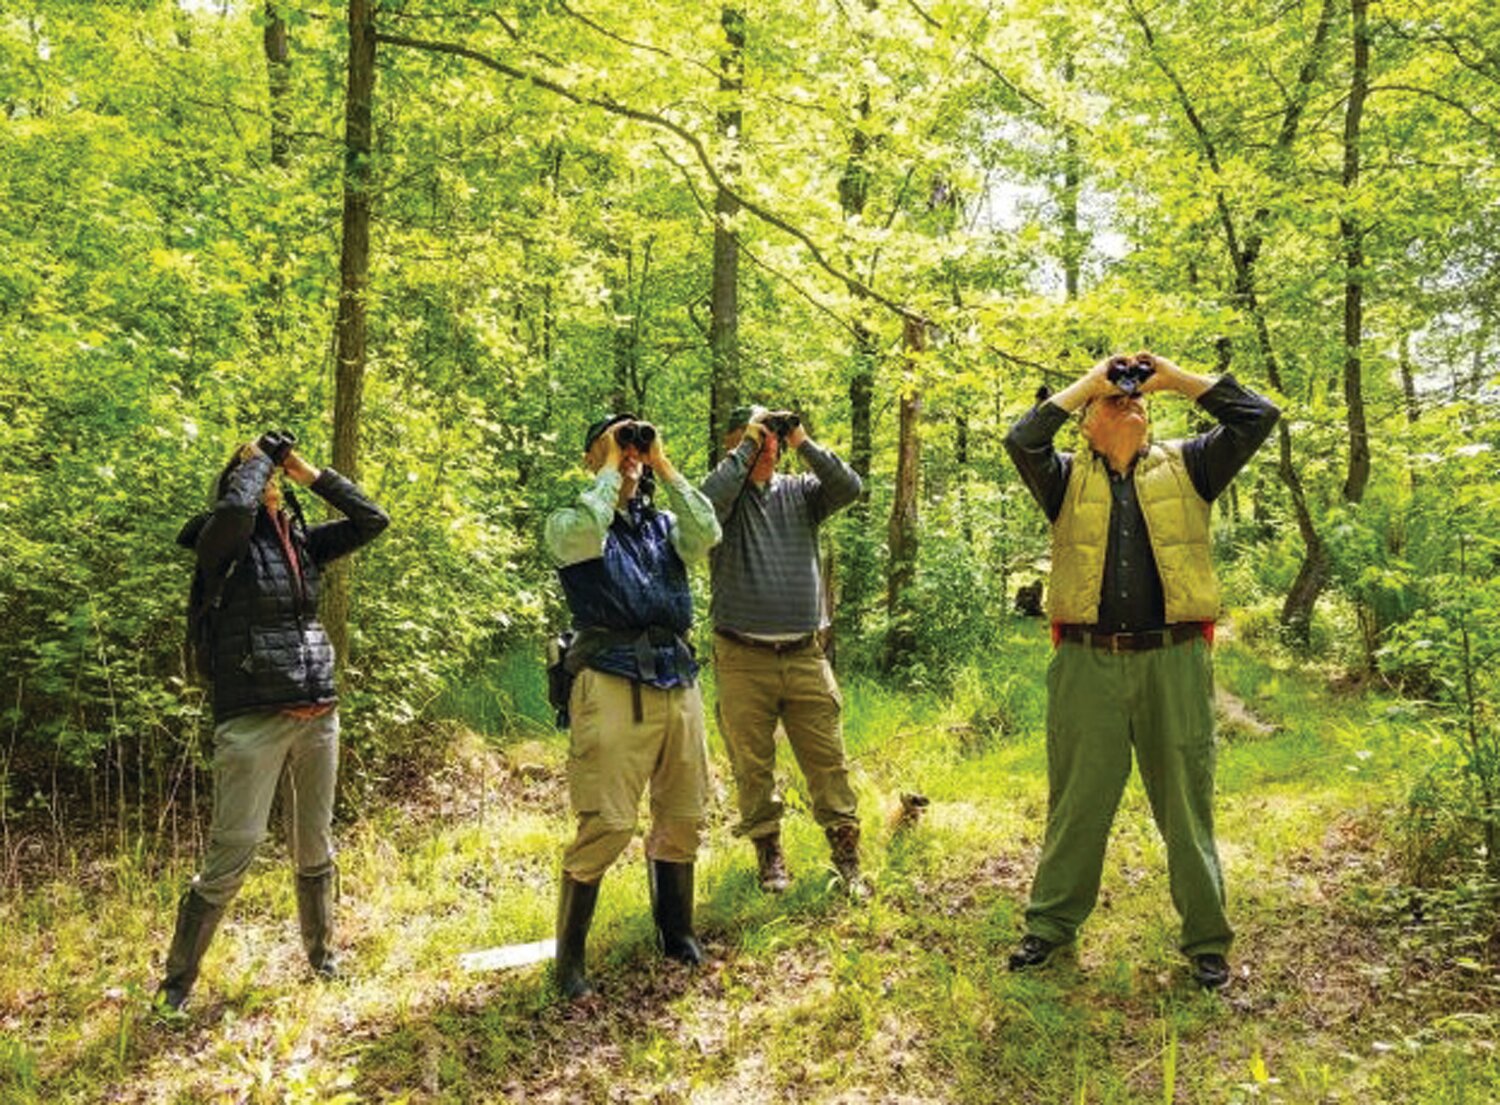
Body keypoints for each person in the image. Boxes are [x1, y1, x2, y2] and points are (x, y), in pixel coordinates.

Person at [1003, 351, 1279, 989]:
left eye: (1136, 397)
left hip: (1175, 661)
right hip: (1085, 664)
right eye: (1114, 398)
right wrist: (1088, 385)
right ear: (1087, 422)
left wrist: (1176, 377)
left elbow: (1257, 418)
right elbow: (1023, 438)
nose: (1129, 401)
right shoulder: (1063, 477)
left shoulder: (1191, 465)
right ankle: (1048, 928)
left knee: (1187, 803)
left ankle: (1207, 941)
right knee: (1077, 804)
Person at [157, 433, 389, 1012]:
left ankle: (323, 958)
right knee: (233, 851)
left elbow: (372, 519)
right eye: (258, 473)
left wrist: (310, 473)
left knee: (315, 844)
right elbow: (235, 511)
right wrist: (255, 457)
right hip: (253, 718)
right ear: (238, 478)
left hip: (318, 713)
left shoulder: (301, 540)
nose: (269, 483)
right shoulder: (220, 542)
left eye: (274, 475)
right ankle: (176, 988)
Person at [544, 414, 721, 1000]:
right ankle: (569, 959)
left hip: (678, 677)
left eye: (636, 445)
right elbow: (581, 537)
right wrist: (609, 471)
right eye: (620, 445)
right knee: (609, 821)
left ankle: (677, 934)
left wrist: (663, 465)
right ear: (595, 458)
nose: (632, 455)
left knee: (684, 813)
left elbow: (708, 533)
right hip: (612, 679)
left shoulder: (665, 524)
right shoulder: (573, 521)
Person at [700, 406, 864, 894]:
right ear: (734, 446)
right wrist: (748, 444)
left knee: (827, 759)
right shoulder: (723, 499)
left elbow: (849, 488)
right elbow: (704, 505)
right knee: (752, 764)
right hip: (742, 656)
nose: (767, 444)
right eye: (755, 438)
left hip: (804, 653)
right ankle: (769, 855)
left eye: (771, 437)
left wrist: (800, 440)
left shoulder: (800, 494)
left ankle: (847, 854)